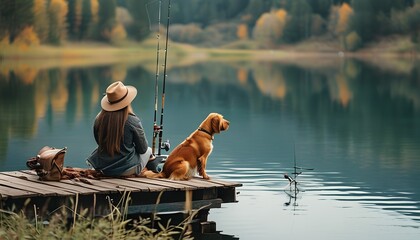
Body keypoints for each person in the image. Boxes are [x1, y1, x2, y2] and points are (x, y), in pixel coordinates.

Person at [86, 81, 154, 177]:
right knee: (149, 151)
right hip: (127, 169)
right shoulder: (133, 121)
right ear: (127, 101)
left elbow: (99, 142)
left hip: (104, 169)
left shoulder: (98, 119)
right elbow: (142, 149)